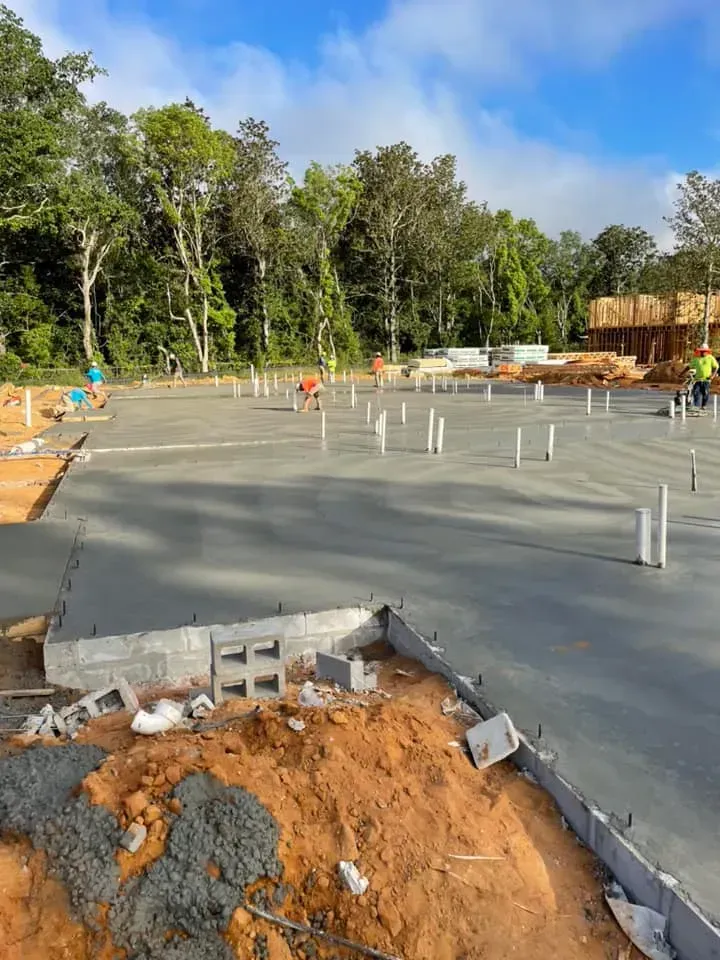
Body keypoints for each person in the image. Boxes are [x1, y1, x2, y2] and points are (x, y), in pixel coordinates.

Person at [690, 343, 718, 411]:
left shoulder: (710, 358)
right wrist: (682, 373)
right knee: (696, 392)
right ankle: (696, 407)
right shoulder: (696, 358)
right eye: (701, 351)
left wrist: (713, 376)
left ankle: (703, 406)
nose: (703, 352)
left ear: (707, 351)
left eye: (704, 351)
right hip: (697, 379)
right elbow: (689, 366)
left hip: (706, 380)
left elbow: (716, 367)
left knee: (705, 393)